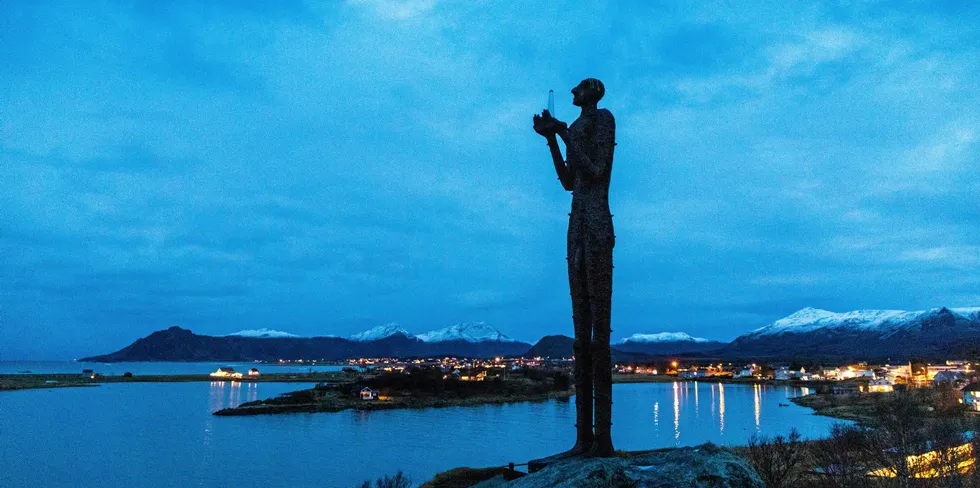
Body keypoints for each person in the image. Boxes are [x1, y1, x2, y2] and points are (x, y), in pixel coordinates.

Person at [532, 78, 616, 457]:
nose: (571, 95)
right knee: (580, 330)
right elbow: (569, 181)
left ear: (593, 93)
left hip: (597, 223)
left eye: (577, 90)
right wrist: (552, 140)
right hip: (576, 226)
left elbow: (597, 171)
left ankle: (603, 439)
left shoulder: (602, 121)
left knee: (599, 330)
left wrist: (564, 132)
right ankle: (582, 439)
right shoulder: (578, 128)